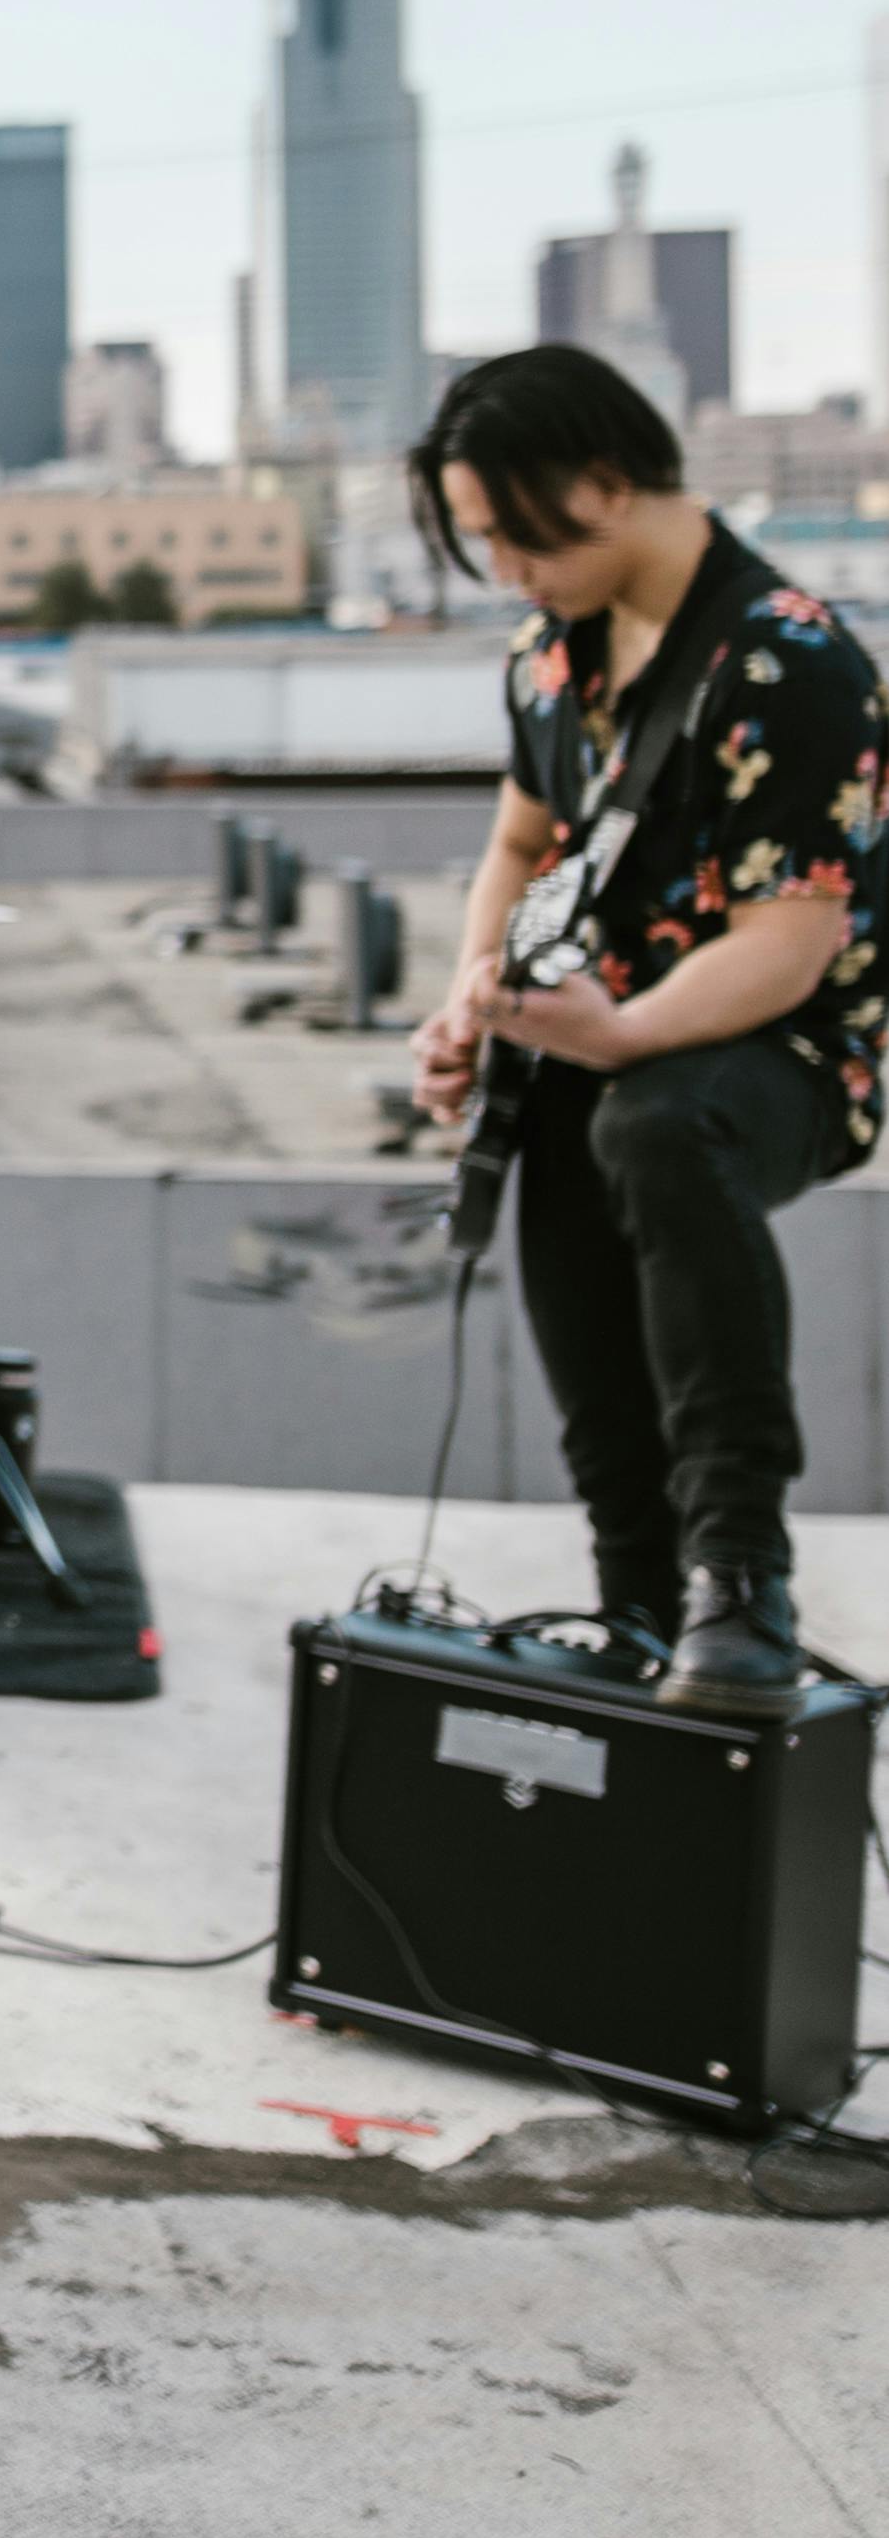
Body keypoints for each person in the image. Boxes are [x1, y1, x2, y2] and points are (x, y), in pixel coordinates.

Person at [410, 345, 884, 1714]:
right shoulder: (549, 652)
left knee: (656, 1117)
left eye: (511, 530)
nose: (502, 565)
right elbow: (518, 838)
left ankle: (739, 1570)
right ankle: (635, 1588)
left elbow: (791, 943)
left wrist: (619, 1034)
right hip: (610, 1029)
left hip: (790, 1049)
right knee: (554, 1128)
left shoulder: (787, 657)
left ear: (604, 483)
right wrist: (470, 993)